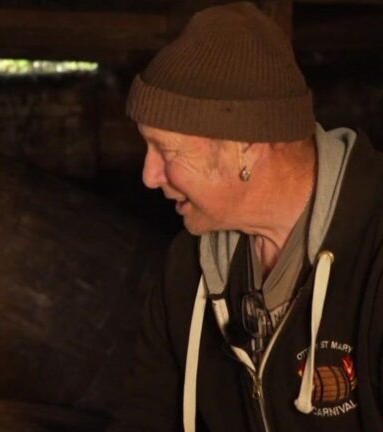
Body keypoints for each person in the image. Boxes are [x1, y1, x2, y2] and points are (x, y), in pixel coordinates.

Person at [119, 2, 383, 431]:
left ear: (246, 146)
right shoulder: (188, 269)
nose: (149, 176)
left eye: (166, 151)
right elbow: (143, 415)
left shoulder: (374, 256)